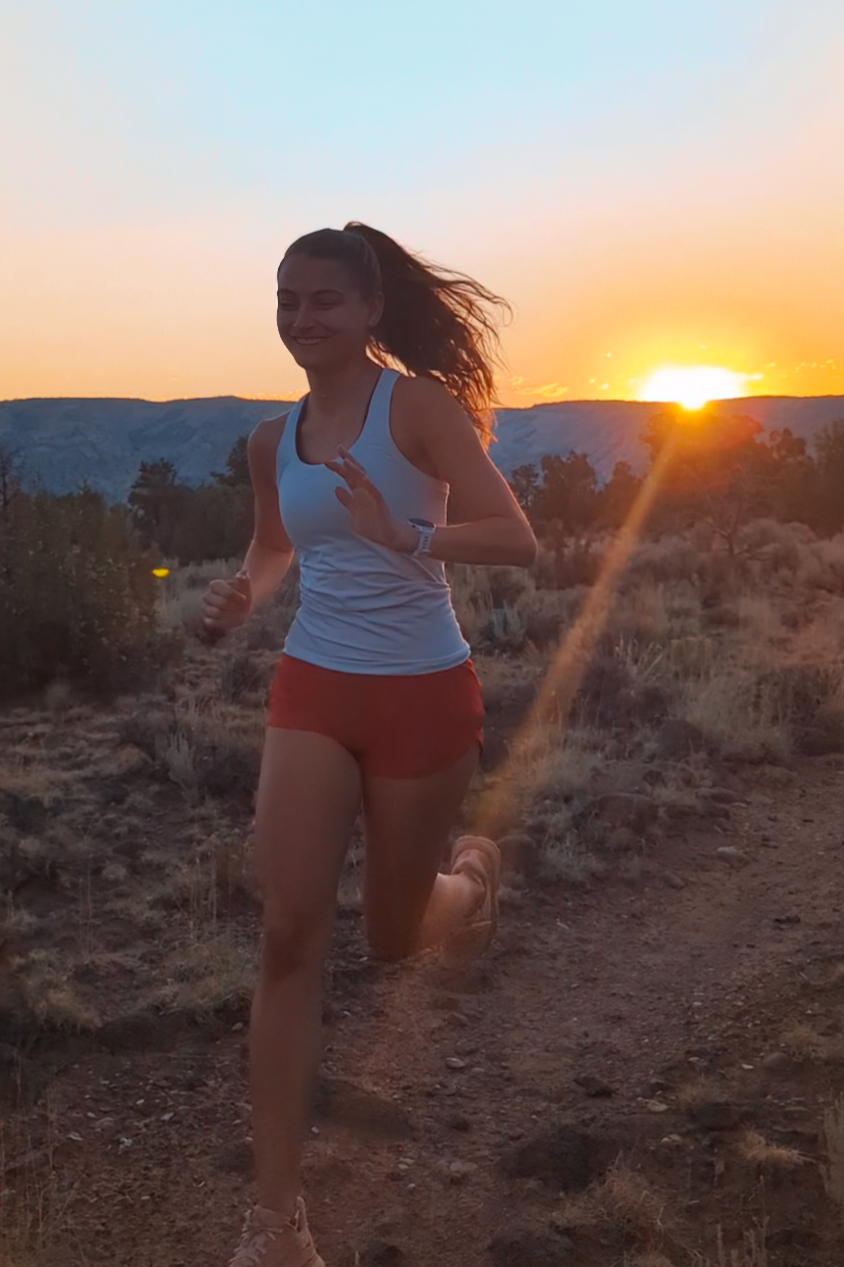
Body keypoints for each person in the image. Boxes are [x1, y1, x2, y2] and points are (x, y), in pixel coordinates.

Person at [202, 223, 537, 1267]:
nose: (302, 318)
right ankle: (276, 1223)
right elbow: (275, 543)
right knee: (289, 932)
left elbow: (516, 538)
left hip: (422, 692)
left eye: (324, 300)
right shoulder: (274, 439)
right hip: (313, 684)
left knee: (393, 937)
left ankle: (469, 885)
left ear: (371, 310)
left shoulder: (417, 409)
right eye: (286, 299)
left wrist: (408, 535)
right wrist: (244, 592)